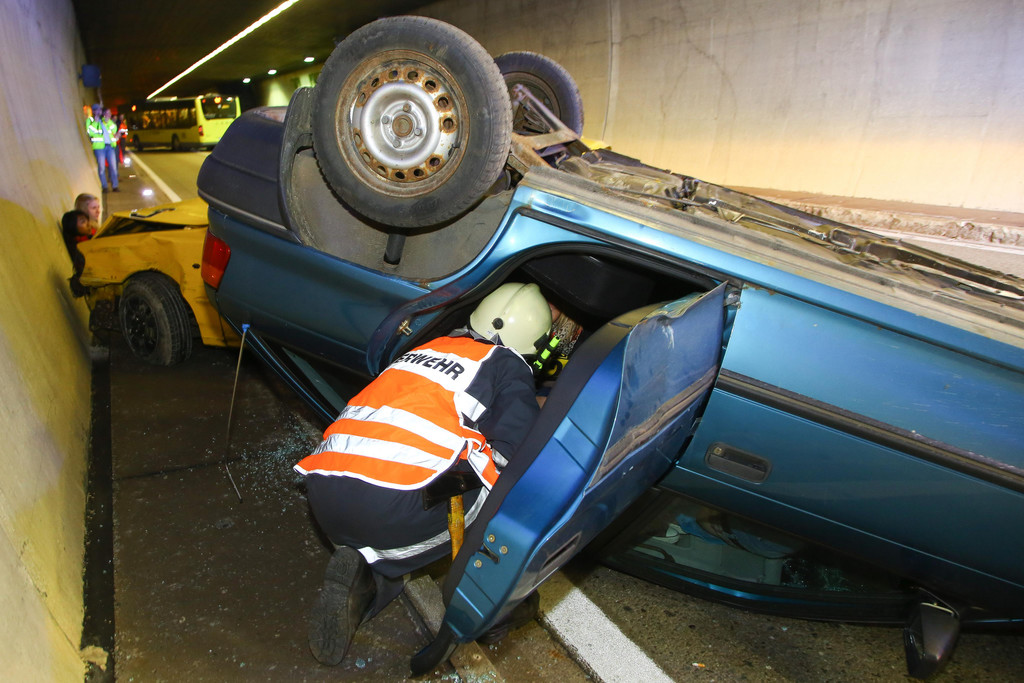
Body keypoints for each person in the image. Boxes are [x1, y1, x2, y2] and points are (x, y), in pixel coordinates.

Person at [295, 282, 552, 666]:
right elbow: (520, 454)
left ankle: (367, 575)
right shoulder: (507, 364)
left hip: (324, 490)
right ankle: (496, 606)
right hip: (391, 506)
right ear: (531, 341)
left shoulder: (425, 348)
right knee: (505, 484)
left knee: (449, 462)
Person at [86, 105, 119, 192]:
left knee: (113, 167)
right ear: (93, 111)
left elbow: (114, 129)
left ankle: (115, 186)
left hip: (110, 146)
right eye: (96, 110)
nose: (99, 112)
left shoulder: (105, 121)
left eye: (100, 110)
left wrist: (108, 121)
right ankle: (104, 186)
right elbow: (91, 132)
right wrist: (96, 122)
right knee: (101, 168)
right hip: (99, 148)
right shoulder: (90, 121)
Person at [61, 210, 90, 296]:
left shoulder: (87, 239)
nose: (88, 224)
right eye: (83, 221)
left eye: (87, 220)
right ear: (73, 227)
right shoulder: (80, 250)